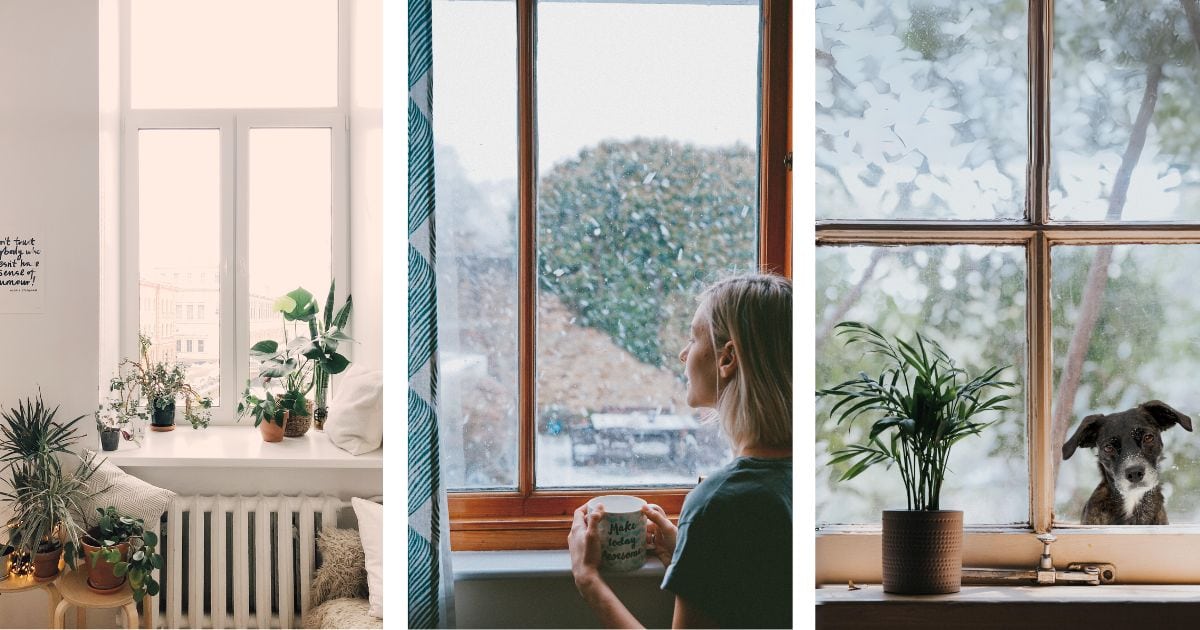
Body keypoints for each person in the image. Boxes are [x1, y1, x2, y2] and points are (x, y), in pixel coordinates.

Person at [568, 272, 792, 629]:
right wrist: (690, 554)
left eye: (693, 338)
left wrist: (587, 580)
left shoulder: (718, 503)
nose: (683, 353)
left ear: (727, 357)